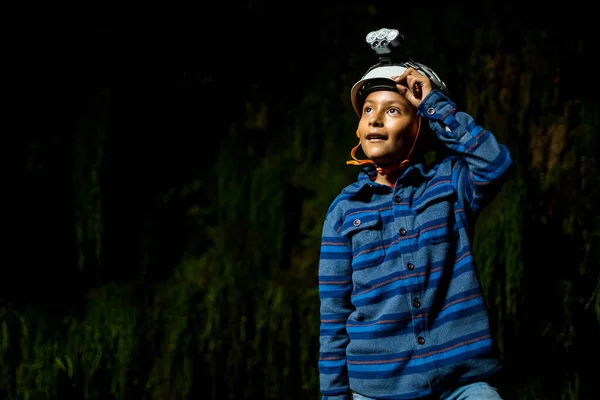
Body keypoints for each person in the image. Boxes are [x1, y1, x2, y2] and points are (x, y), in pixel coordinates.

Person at [318, 29, 512, 400]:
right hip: (377, 389)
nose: (375, 120)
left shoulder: (450, 183)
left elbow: (495, 163)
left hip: (462, 384)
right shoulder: (344, 210)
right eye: (368, 111)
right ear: (358, 128)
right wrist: (334, 396)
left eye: (393, 111)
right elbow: (333, 316)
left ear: (419, 127)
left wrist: (433, 104)